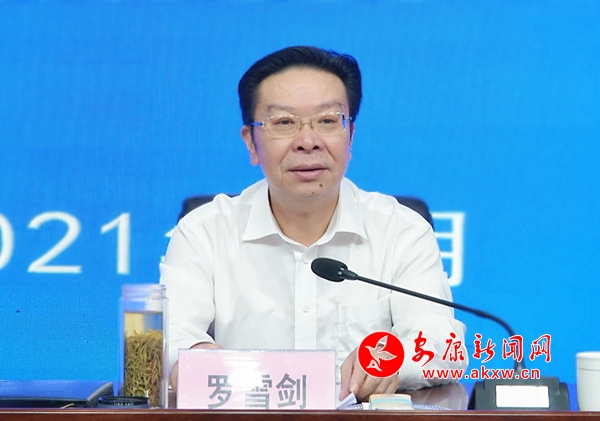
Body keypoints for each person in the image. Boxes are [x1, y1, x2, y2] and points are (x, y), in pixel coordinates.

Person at [160, 46, 467, 401]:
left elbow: (443, 345)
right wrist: (197, 358)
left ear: (350, 137)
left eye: (327, 121)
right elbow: (171, 337)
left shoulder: (401, 231)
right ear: (251, 143)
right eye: (284, 123)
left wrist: (392, 361)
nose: (308, 142)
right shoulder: (204, 233)